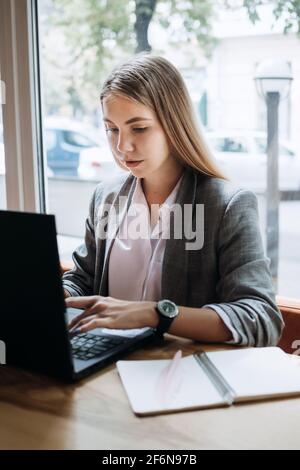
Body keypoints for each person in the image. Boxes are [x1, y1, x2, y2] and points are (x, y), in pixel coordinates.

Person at [63, 54, 283, 346]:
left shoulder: (227, 206)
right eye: (112, 129)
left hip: (180, 377)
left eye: (138, 128)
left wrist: (155, 314)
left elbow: (260, 319)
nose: (121, 146)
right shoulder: (107, 198)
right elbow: (82, 279)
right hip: (105, 366)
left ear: (174, 124)